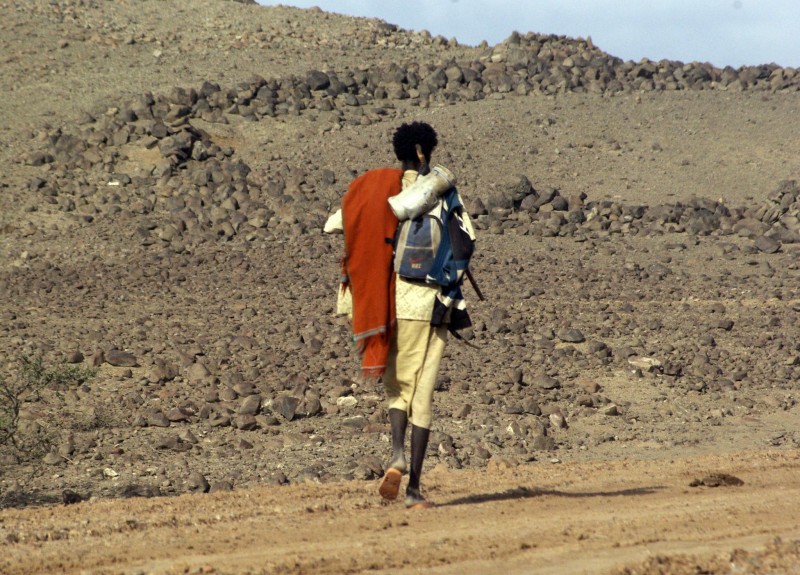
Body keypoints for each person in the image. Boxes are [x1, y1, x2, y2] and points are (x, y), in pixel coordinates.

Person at [324, 121, 475, 509]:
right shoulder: (437, 191)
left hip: (390, 303)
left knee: (396, 387)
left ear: (401, 152)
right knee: (421, 392)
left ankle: (395, 453)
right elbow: (465, 241)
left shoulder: (377, 189)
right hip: (428, 305)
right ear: (427, 150)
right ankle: (414, 490)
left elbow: (339, 226)